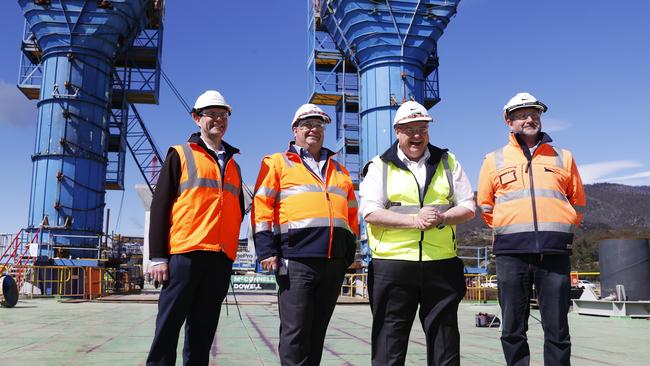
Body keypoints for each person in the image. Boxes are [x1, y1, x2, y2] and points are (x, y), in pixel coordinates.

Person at [359, 100, 475, 366]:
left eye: (422, 128)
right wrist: (415, 221)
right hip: (393, 265)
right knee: (390, 341)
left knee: (445, 342)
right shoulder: (379, 166)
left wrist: (443, 217)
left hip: (441, 264)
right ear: (397, 131)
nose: (417, 135)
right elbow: (370, 213)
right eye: (409, 129)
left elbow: (469, 207)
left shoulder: (447, 161)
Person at [477, 92, 586, 366]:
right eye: (522, 114)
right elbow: (486, 206)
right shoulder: (493, 160)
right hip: (511, 254)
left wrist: (560, 230)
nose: (530, 119)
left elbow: (578, 203)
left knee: (558, 328)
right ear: (508, 121)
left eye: (535, 114)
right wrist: (510, 230)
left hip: (554, 252)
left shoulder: (563, 157)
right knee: (513, 328)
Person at [251, 103, 359, 366]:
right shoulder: (278, 163)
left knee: (317, 332)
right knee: (296, 332)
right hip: (296, 259)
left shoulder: (340, 170)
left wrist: (348, 254)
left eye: (319, 125)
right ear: (295, 130)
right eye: (308, 124)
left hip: (333, 261)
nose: (314, 129)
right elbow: (261, 206)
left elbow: (352, 216)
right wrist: (266, 250)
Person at [146, 90, 244, 365]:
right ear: (196, 119)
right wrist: (158, 257)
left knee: (202, 333)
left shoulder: (234, 164)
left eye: (223, 115)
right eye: (211, 114)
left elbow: (238, 210)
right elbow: (160, 207)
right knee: (167, 329)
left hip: (220, 258)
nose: (218, 120)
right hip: (184, 256)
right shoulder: (180, 154)